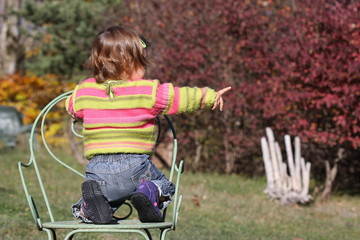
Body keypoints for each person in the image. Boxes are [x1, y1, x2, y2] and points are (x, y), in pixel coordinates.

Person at [66, 25, 231, 224]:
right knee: (165, 185)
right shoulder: (148, 91)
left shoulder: (85, 91)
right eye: (142, 62)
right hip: (136, 167)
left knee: (100, 199)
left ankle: (88, 206)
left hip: (97, 171)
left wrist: (84, 112)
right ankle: (149, 192)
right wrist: (209, 96)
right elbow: (180, 97)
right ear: (129, 63)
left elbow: (72, 106)